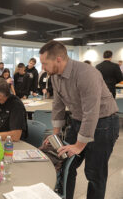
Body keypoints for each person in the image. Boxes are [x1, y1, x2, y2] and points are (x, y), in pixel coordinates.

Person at [40, 41, 119, 199]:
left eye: (44, 63)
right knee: (65, 165)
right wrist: (56, 135)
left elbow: (91, 112)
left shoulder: (86, 74)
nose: (42, 68)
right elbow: (58, 105)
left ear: (59, 59)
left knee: (94, 174)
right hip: (77, 122)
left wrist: (79, 145)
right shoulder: (55, 76)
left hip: (103, 124)